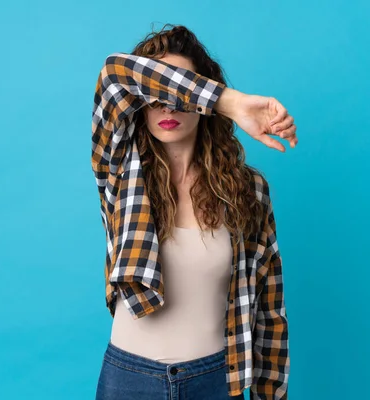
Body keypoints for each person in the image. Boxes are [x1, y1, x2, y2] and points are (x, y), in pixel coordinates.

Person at [91, 24, 296, 400]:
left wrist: (271, 396)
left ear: (201, 104)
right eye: (156, 93)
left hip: (216, 381)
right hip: (129, 381)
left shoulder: (248, 191)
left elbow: (269, 311)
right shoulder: (120, 172)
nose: (168, 106)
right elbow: (113, 76)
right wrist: (231, 102)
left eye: (182, 90)